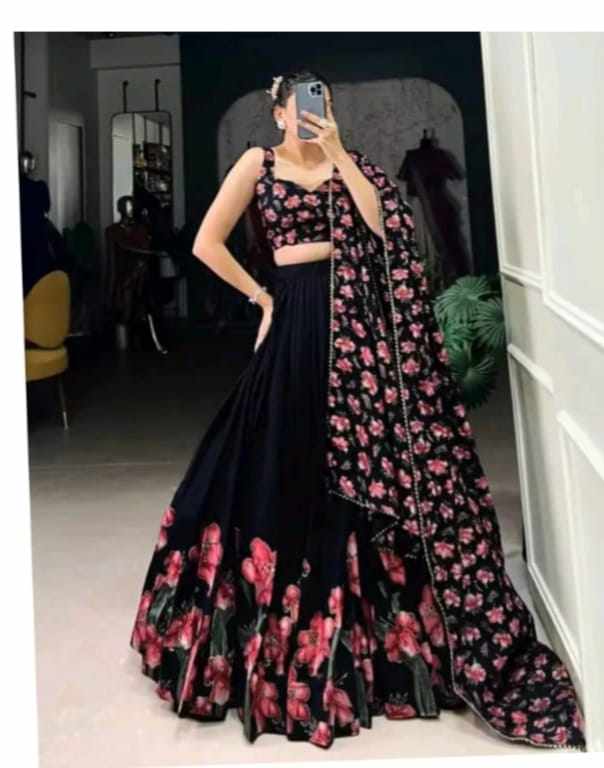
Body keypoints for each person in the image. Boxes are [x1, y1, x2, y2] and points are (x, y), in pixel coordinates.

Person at [129, 70, 587, 752]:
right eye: (301, 106)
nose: (312, 115)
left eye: (323, 104)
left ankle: (373, 629)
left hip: (356, 332)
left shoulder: (351, 165)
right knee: (279, 454)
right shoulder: (258, 164)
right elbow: (206, 243)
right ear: (277, 112)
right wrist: (261, 297)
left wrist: (340, 152)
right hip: (295, 319)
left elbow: (384, 228)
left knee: (364, 462)